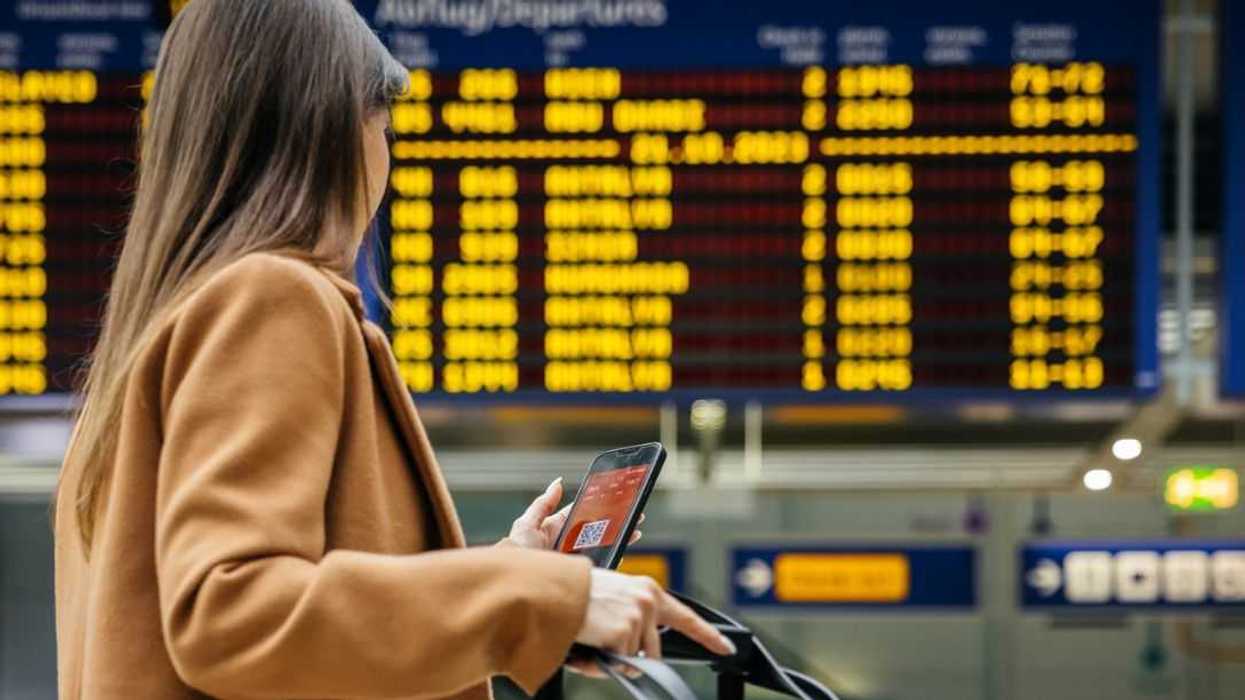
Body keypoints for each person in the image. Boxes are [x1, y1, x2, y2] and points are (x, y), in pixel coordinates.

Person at [51, 1, 733, 698]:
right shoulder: (268, 297)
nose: (387, 153)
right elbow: (234, 614)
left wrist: (504, 572)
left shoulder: (131, 368)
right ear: (332, 129)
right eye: (383, 122)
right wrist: (531, 598)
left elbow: (262, 625)